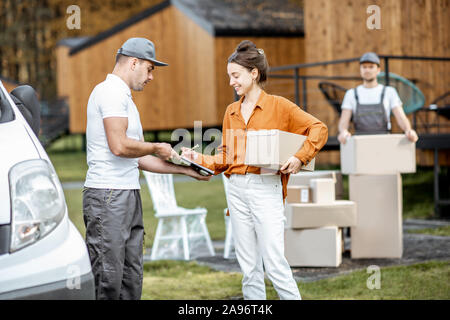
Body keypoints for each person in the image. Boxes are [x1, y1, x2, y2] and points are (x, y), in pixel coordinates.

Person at [182, 40, 328, 300]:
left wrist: (299, 157)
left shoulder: (280, 106)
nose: (231, 82)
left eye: (235, 76)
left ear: (254, 73)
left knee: (274, 264)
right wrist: (199, 158)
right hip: (235, 189)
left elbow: (319, 128)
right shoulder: (231, 111)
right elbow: (226, 157)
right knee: (249, 267)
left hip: (265, 188)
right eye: (229, 76)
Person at [83, 37, 210, 300]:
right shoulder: (110, 92)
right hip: (107, 196)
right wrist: (155, 146)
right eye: (150, 68)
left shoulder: (125, 98)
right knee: (108, 277)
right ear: (133, 62)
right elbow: (118, 146)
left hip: (127, 193)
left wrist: (185, 170)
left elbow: (136, 158)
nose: (151, 77)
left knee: (131, 276)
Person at [338, 52, 419, 144]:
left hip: (384, 141)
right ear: (360, 70)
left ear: (378, 70)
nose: (367, 70)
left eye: (371, 67)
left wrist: (408, 130)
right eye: (364, 67)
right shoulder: (351, 94)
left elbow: (401, 117)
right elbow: (344, 120)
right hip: (360, 143)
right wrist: (343, 131)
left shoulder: (389, 92)